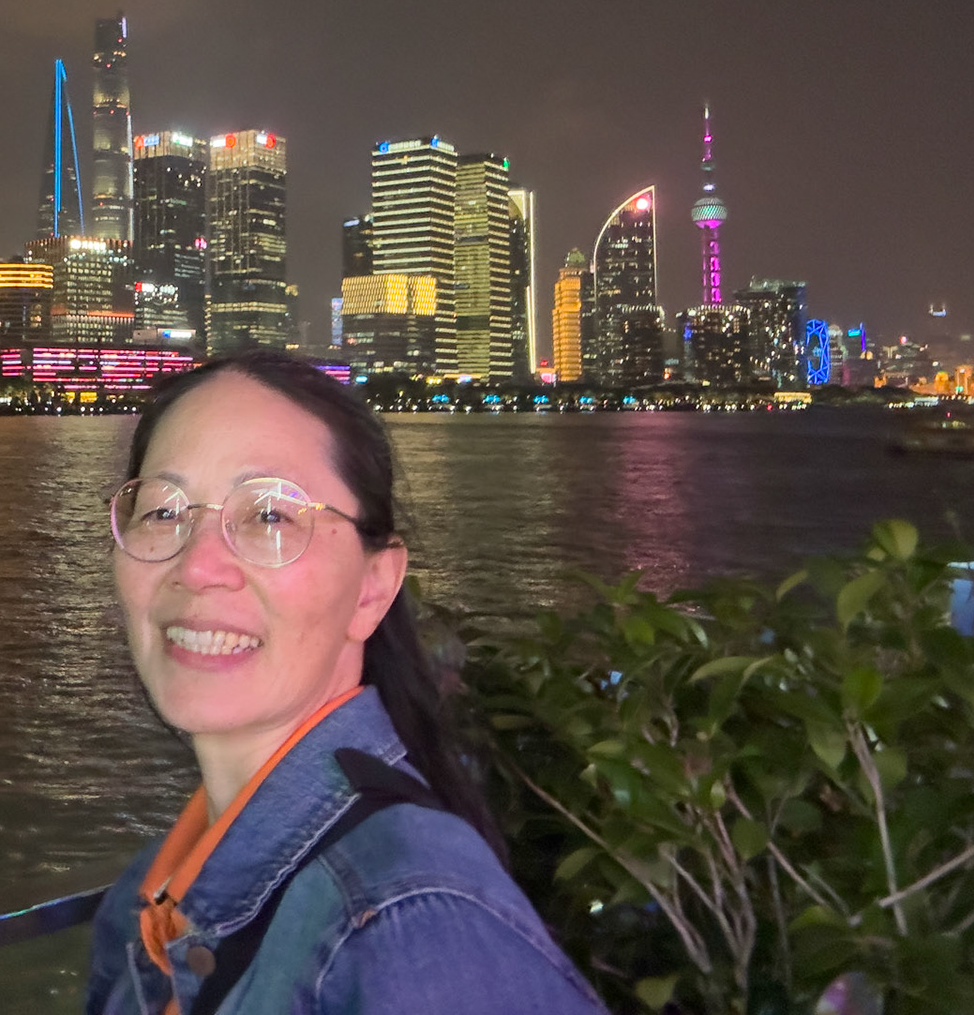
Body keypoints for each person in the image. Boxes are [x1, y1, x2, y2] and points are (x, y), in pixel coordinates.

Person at [86, 351, 604, 1015]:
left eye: (270, 516)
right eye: (163, 512)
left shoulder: (413, 930)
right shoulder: (148, 896)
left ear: (372, 588)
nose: (197, 566)